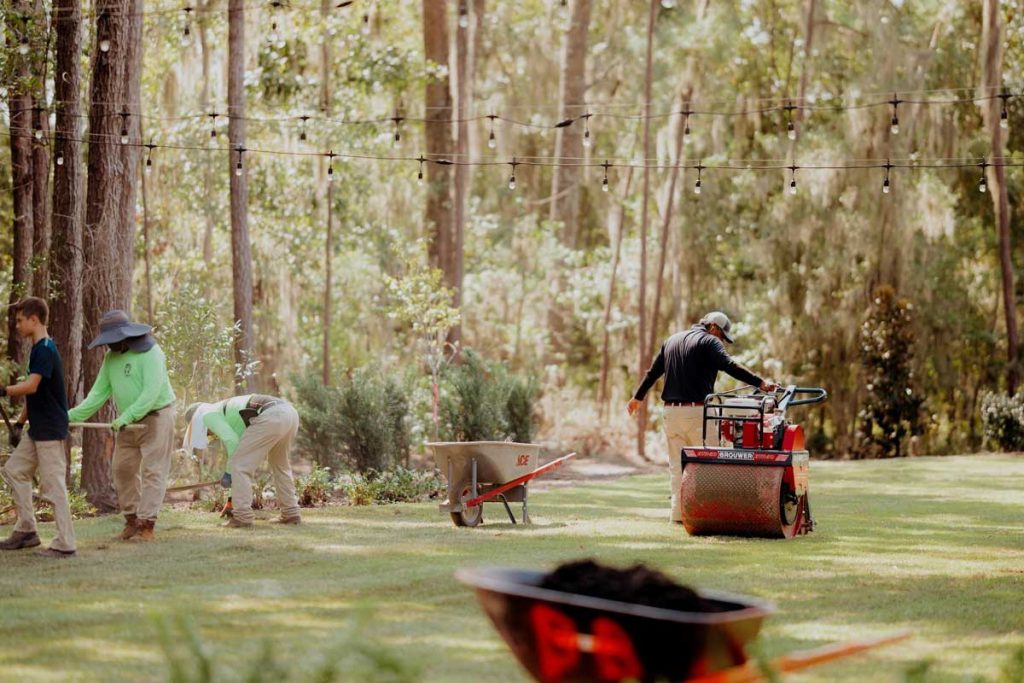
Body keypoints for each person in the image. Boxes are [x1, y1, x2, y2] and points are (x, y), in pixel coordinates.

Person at [627, 311, 777, 523]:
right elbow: (730, 365)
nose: (721, 341)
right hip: (698, 413)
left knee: (677, 468)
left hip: (670, 412)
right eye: (722, 336)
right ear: (713, 327)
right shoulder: (709, 342)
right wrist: (760, 383)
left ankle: (678, 516)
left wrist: (637, 398)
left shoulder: (671, 340)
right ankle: (709, 516)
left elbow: (653, 373)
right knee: (711, 465)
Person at [68, 310, 176, 542]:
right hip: (128, 422)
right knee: (122, 469)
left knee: (153, 471)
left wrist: (127, 416)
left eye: (112, 341)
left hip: (157, 417)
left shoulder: (151, 353)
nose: (108, 346)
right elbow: (97, 395)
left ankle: (147, 526)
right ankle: (131, 520)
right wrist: (69, 416)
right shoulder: (110, 358)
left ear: (124, 336)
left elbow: (151, 393)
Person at [0, 298, 76, 558]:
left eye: (20, 320)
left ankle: (66, 543)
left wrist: (4, 390)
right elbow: (36, 395)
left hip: (51, 430)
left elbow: (31, 386)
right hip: (37, 430)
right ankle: (27, 530)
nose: (17, 325)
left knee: (53, 486)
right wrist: (20, 424)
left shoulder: (44, 348)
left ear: (34, 320)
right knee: (14, 470)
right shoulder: (38, 349)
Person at [183, 394, 301, 529]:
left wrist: (228, 474)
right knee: (280, 465)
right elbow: (236, 451)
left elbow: (234, 449)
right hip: (289, 413)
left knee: (239, 466)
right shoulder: (226, 413)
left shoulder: (206, 414)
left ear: (196, 420)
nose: (209, 434)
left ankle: (242, 517)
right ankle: (291, 513)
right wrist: (230, 500)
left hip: (271, 415)